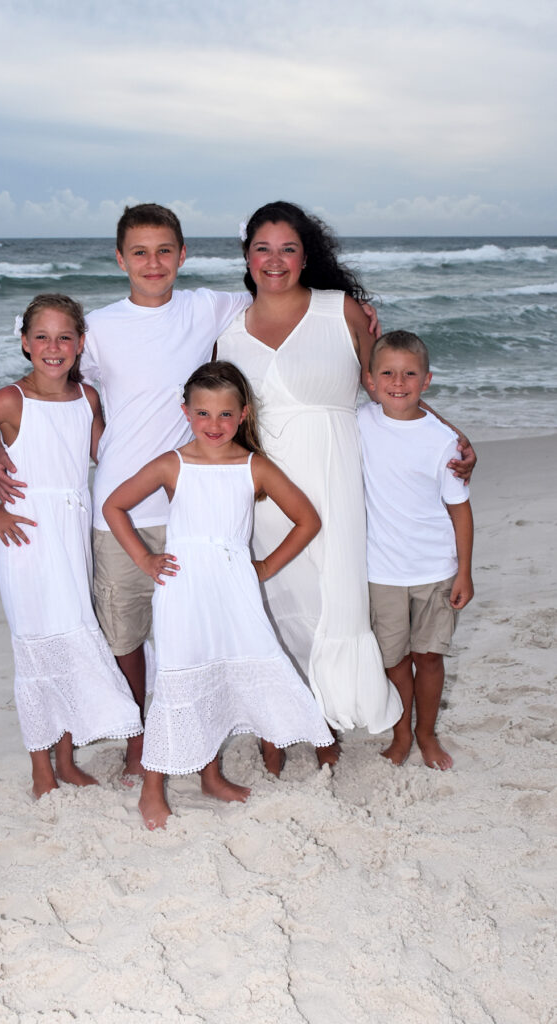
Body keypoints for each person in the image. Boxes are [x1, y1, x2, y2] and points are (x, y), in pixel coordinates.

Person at [0, 206, 252, 781]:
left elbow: (284, 299)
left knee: (192, 635)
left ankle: (200, 746)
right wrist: (2, 447)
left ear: (182, 255)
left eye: (164, 251)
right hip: (118, 511)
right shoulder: (101, 329)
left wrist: (355, 312)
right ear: (120, 259)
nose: (153, 263)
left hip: (191, 507)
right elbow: (52, 393)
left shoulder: (209, 306)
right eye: (139, 252)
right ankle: (138, 743)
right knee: (124, 638)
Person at [217, 201, 477, 771]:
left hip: (333, 475)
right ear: (247, 257)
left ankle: (331, 716)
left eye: (288, 248)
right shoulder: (228, 325)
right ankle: (289, 720)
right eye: (263, 248)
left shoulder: (342, 311)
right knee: (276, 600)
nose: (275, 260)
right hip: (262, 487)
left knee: (333, 598)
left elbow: (392, 388)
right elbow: (215, 412)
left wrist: (454, 437)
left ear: (307, 254)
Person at [0, 294, 142, 798]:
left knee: (69, 640)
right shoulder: (9, 401)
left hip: (72, 536)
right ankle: (40, 768)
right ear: (24, 342)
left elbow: (108, 458)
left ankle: (65, 759)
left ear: (81, 343)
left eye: (65, 336)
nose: (53, 347)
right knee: (38, 650)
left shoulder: (86, 399)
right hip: (27, 540)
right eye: (41, 336)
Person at [102, 361, 334, 829]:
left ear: (243, 414)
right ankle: (152, 787)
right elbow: (114, 505)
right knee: (179, 677)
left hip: (233, 589)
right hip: (184, 590)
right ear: (185, 412)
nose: (214, 425)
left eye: (225, 415)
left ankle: (211, 776)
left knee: (228, 671)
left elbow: (307, 519)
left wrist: (266, 566)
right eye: (203, 413)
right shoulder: (173, 464)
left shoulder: (254, 467)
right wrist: (146, 560)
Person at [358, 331, 474, 769]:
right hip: (381, 572)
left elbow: (461, 512)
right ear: (370, 380)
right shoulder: (360, 422)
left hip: (436, 570)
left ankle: (427, 733)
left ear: (426, 381)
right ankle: (401, 732)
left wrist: (464, 572)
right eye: (387, 372)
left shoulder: (442, 441)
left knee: (429, 657)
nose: (398, 381)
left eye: (410, 373)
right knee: (394, 660)